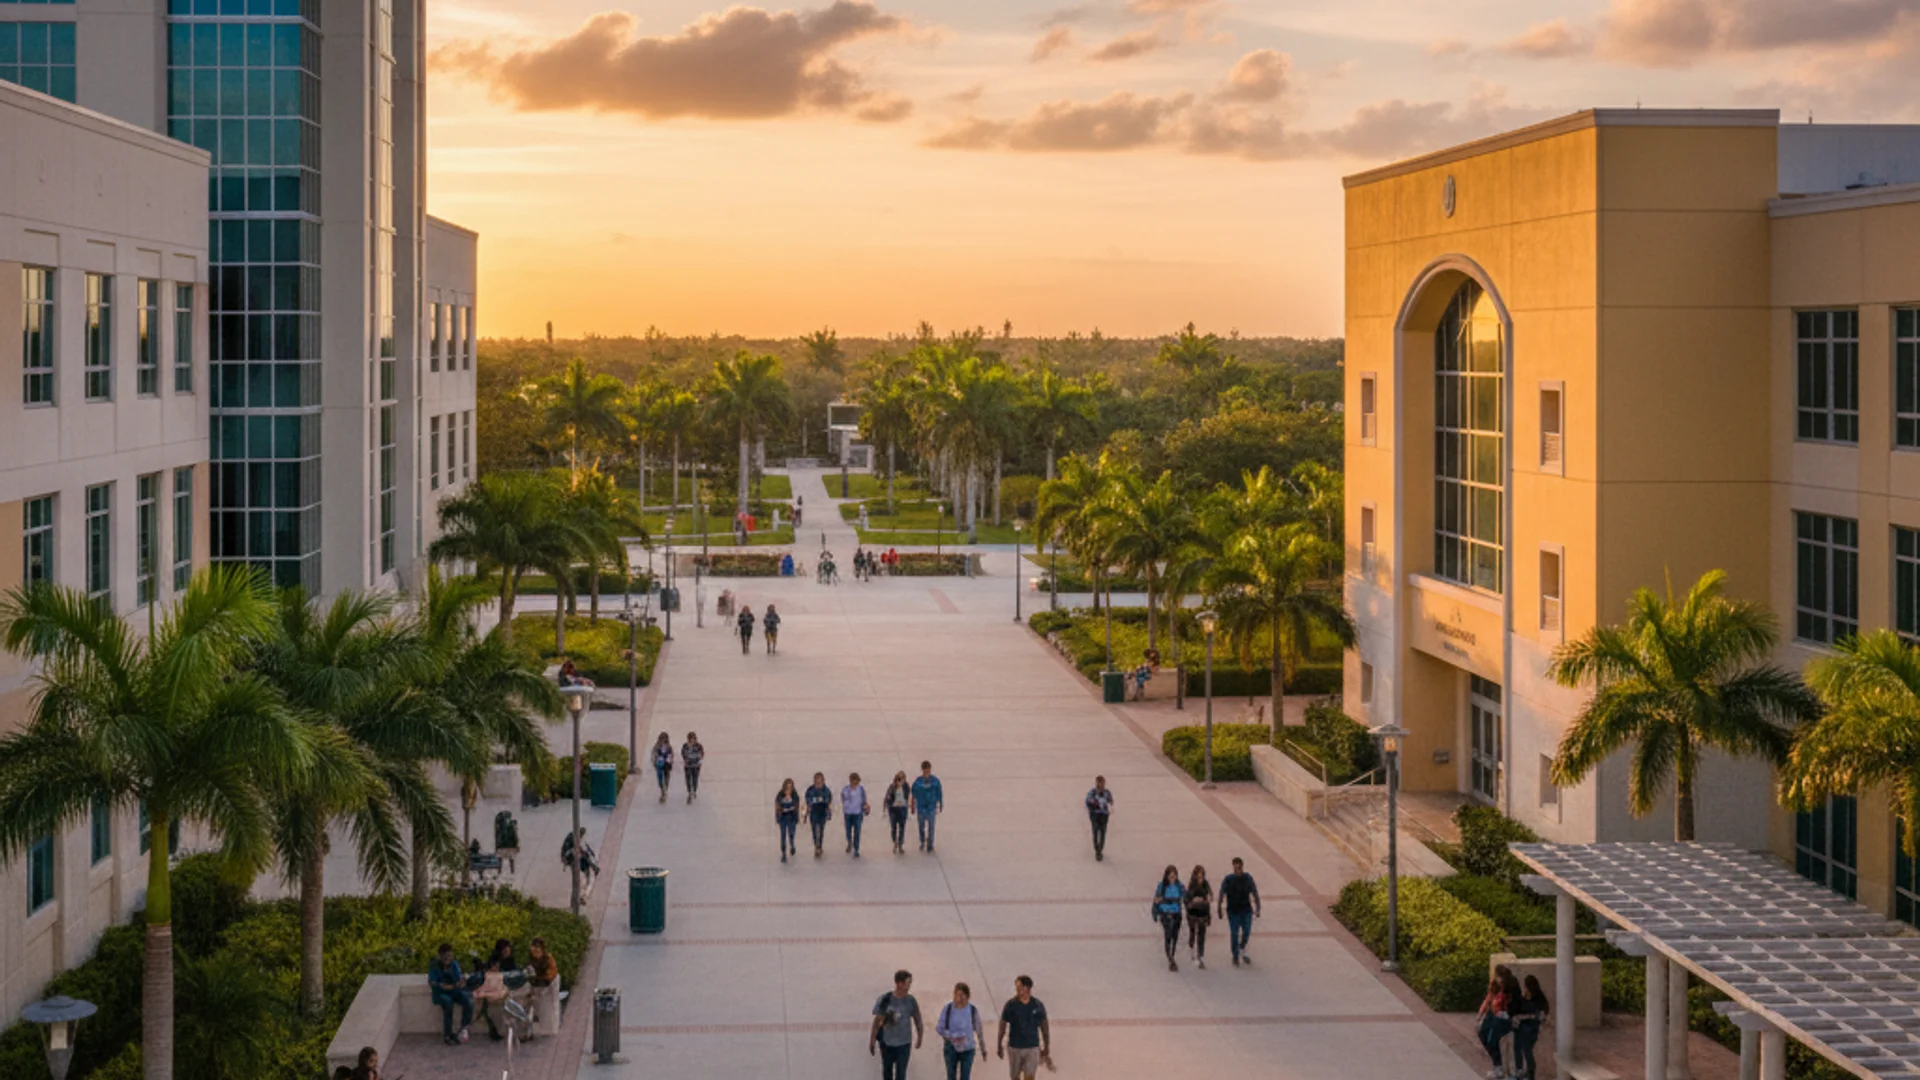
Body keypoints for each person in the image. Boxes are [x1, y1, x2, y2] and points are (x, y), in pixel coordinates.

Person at [869, 969, 923, 1080]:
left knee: (901, 1074)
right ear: (899, 983)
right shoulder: (885, 999)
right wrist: (872, 1039)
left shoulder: (911, 1000)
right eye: (908, 983)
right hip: (887, 1042)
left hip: (904, 1043)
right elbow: (877, 1022)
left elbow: (918, 1019)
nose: (909, 986)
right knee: (887, 1072)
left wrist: (920, 1036)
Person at [996, 975, 1050, 1080]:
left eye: (1020, 987)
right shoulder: (1011, 1005)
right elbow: (1002, 1025)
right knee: (1015, 1076)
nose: (1017, 990)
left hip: (1032, 1047)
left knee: (1029, 1077)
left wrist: (1046, 1047)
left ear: (1028, 988)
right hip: (1015, 1047)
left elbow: (1045, 1027)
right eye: (1017, 987)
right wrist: (999, 1044)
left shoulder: (1037, 1005)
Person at [1217, 856, 1262, 966]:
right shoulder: (1228, 879)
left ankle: (1241, 946)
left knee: (1246, 931)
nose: (1237, 869)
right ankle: (1235, 955)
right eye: (1236, 867)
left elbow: (1254, 892)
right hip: (1233, 910)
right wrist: (1219, 907)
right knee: (1234, 933)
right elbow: (1221, 893)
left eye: (1239, 866)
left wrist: (1258, 907)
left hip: (1246, 909)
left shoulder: (1247, 878)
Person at [1476, 967, 1519, 1078]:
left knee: (1492, 1041)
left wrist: (1511, 1016)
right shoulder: (1495, 984)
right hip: (1492, 1013)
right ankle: (1497, 1064)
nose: (1497, 979)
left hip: (1503, 1016)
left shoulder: (1512, 986)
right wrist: (1481, 1013)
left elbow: (1516, 1003)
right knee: (1482, 1033)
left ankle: (1498, 1066)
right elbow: (1488, 998)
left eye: (1499, 977)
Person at [936, 982, 985, 1080]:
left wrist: (983, 1048)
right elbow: (940, 1027)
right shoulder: (948, 1008)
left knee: (965, 1076)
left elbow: (979, 1030)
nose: (960, 999)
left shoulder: (972, 1010)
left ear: (968, 996)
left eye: (963, 996)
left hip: (968, 1048)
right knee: (951, 1076)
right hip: (951, 1047)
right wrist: (951, 1036)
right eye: (958, 995)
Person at [474, 938, 519, 1041]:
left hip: (503, 989)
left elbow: (512, 974)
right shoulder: (494, 959)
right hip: (491, 989)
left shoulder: (510, 960)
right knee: (487, 1007)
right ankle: (493, 1028)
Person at [428, 943, 473, 1045]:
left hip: (454, 991)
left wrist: (461, 981)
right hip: (440, 993)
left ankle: (463, 1028)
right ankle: (447, 1034)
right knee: (448, 1004)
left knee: (468, 1000)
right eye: (446, 956)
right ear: (440, 956)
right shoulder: (434, 966)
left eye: (450, 956)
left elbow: (458, 978)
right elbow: (432, 982)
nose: (448, 958)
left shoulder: (454, 964)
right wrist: (443, 985)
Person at [1512, 974, 1550, 1080]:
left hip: (1529, 1029)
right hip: (1522, 1027)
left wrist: (1527, 1016)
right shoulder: (1525, 997)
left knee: (1526, 1050)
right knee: (1519, 1048)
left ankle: (1529, 1073)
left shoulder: (1537, 1000)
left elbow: (1540, 1015)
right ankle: (1521, 1071)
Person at [1150, 865, 1185, 971]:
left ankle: (1172, 954)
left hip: (1176, 913)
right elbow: (1156, 900)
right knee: (1168, 934)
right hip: (1165, 913)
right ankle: (1171, 959)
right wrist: (1155, 913)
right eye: (1170, 877)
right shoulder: (1162, 886)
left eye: (1174, 877)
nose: (1172, 879)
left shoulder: (1180, 886)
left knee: (1175, 936)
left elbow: (1186, 897)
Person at [524, 937, 559, 1037]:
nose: (535, 952)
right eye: (533, 949)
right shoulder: (530, 959)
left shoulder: (548, 959)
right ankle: (538, 1026)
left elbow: (552, 973)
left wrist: (545, 980)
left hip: (551, 982)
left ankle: (553, 1028)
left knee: (553, 1003)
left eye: (537, 950)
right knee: (535, 1002)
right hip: (538, 982)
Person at [1184, 865, 1213, 969]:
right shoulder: (1192, 885)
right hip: (1193, 914)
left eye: (1202, 875)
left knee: (1202, 935)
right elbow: (1187, 899)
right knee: (1193, 933)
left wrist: (1205, 901)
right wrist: (1194, 901)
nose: (1200, 877)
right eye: (1198, 875)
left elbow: (1210, 897)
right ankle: (1192, 950)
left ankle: (1200, 955)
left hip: (1203, 913)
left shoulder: (1206, 885)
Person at [911, 760, 944, 853]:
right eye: (925, 771)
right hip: (921, 807)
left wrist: (940, 803)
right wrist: (913, 803)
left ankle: (930, 844)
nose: (927, 773)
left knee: (931, 826)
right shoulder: (918, 782)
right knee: (921, 826)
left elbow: (939, 792)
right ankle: (922, 841)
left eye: (928, 771)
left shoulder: (935, 781)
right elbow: (913, 792)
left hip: (931, 807)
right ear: (922, 770)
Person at [561, 826, 600, 892]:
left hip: (570, 853)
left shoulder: (575, 835)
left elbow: (584, 845)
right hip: (567, 854)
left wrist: (590, 850)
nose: (582, 837)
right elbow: (579, 848)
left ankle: (592, 867)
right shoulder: (573, 837)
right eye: (582, 835)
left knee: (583, 855)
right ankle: (593, 867)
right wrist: (586, 853)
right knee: (582, 854)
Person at [805, 772, 835, 857]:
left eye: (820, 782)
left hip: (822, 813)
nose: (818, 784)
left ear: (823, 781)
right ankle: (816, 846)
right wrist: (807, 811)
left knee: (821, 830)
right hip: (814, 813)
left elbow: (829, 802)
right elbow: (808, 801)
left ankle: (820, 845)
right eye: (816, 782)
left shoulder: (826, 791)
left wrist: (829, 813)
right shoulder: (810, 790)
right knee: (814, 830)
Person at [841, 772, 870, 856]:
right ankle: (849, 842)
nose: (854, 784)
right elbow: (842, 798)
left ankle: (856, 848)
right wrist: (846, 806)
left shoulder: (861, 789)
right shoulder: (846, 789)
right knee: (848, 830)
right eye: (853, 782)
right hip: (848, 812)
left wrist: (865, 806)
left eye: (856, 782)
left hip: (858, 813)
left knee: (857, 831)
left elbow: (864, 799)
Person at [884, 771, 912, 854]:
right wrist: (892, 803)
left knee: (902, 829)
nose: (901, 781)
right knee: (893, 828)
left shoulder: (906, 787)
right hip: (893, 811)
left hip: (902, 810)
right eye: (899, 779)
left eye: (903, 779)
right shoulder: (892, 787)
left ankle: (900, 845)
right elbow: (888, 798)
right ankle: (895, 841)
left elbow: (907, 797)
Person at [1084, 777, 1112, 860]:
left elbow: (1110, 801)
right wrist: (1093, 807)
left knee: (1103, 832)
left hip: (1104, 814)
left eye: (1102, 783)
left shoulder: (1107, 793)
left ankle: (1100, 849)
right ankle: (1097, 850)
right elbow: (1087, 802)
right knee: (1095, 831)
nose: (1100, 785)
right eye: (1099, 783)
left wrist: (1109, 807)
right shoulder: (1092, 793)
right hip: (1095, 814)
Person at [775, 778, 802, 862]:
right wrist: (778, 817)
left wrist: (796, 817)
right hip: (783, 818)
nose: (788, 790)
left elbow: (797, 807)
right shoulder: (780, 796)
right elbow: (777, 807)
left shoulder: (795, 796)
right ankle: (783, 852)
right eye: (787, 788)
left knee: (791, 834)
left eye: (790, 788)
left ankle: (792, 845)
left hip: (791, 818)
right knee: (783, 836)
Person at [651, 732, 675, 803]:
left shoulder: (669, 747)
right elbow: (653, 755)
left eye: (665, 739)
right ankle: (662, 790)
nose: (663, 741)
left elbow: (671, 755)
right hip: (659, 765)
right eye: (662, 739)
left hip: (666, 765)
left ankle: (664, 791)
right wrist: (655, 761)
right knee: (660, 780)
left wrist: (670, 761)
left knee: (666, 778)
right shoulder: (656, 747)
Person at [681, 732, 704, 803]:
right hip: (688, 765)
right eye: (690, 739)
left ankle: (694, 790)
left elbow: (702, 754)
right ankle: (689, 792)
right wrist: (686, 759)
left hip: (696, 766)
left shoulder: (699, 746)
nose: (692, 741)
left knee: (695, 778)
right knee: (688, 779)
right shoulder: (685, 746)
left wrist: (698, 758)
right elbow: (683, 753)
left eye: (693, 739)